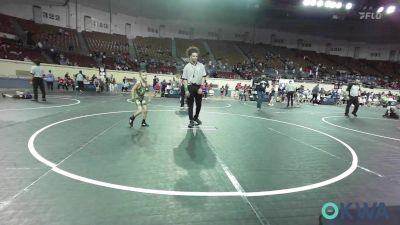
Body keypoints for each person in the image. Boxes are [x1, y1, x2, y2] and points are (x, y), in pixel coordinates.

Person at [182, 46, 207, 128]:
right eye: (193, 56)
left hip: (199, 87)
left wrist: (201, 87)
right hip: (190, 87)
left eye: (196, 56)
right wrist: (186, 90)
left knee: (199, 104)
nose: (195, 57)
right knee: (190, 105)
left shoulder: (201, 66)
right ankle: (191, 121)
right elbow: (185, 79)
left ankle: (196, 117)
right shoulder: (186, 67)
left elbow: (204, 77)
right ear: (190, 56)